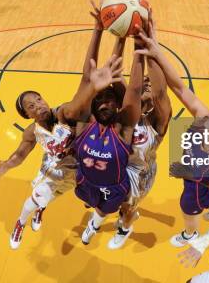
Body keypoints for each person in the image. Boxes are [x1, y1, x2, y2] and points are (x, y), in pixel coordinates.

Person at [0, 12, 121, 250]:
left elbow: (85, 80)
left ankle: (42, 209)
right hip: (51, 173)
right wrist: (7, 165)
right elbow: (21, 154)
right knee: (34, 200)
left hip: (81, 173)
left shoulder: (64, 114)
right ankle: (21, 223)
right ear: (27, 115)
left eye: (38, 100)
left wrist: (98, 30)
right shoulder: (32, 132)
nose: (38, 105)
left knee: (65, 200)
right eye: (31, 106)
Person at [134, 20, 209, 249]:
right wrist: (157, 50)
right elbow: (179, 87)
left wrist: (204, 241)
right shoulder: (204, 118)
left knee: (187, 209)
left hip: (197, 188)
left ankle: (190, 233)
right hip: (202, 176)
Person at [73, 13, 145, 246]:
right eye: (100, 99)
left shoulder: (123, 129)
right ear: (93, 105)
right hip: (85, 181)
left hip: (114, 188)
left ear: (118, 104)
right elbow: (87, 79)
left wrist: (132, 40)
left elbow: (133, 90)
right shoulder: (84, 125)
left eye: (111, 99)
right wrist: (99, 30)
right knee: (95, 205)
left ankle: (94, 225)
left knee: (105, 211)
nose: (105, 103)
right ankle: (95, 220)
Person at [107, 10, 172, 250]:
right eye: (142, 81)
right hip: (114, 167)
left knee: (127, 208)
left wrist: (149, 48)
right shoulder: (128, 106)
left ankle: (125, 226)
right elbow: (115, 75)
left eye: (150, 82)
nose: (146, 83)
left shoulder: (157, 121)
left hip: (140, 176)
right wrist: (120, 35)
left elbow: (161, 92)